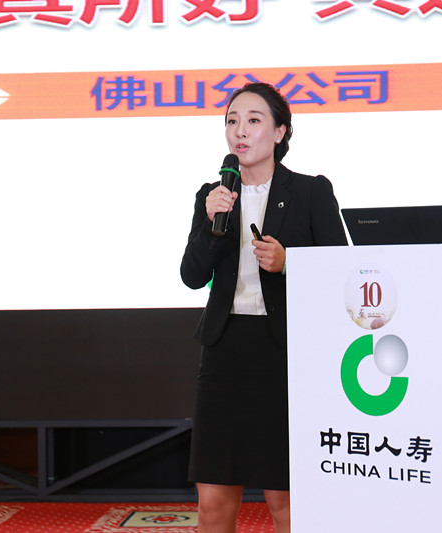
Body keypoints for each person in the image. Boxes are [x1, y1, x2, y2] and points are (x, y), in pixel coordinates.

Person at [180, 82, 348, 533]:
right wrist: (212, 224)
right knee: (213, 501)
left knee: (285, 500)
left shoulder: (311, 191)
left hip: (286, 354)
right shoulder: (213, 195)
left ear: (279, 132)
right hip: (224, 353)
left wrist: (290, 263)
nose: (240, 130)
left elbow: (342, 274)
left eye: (254, 120)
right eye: (232, 121)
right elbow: (192, 275)